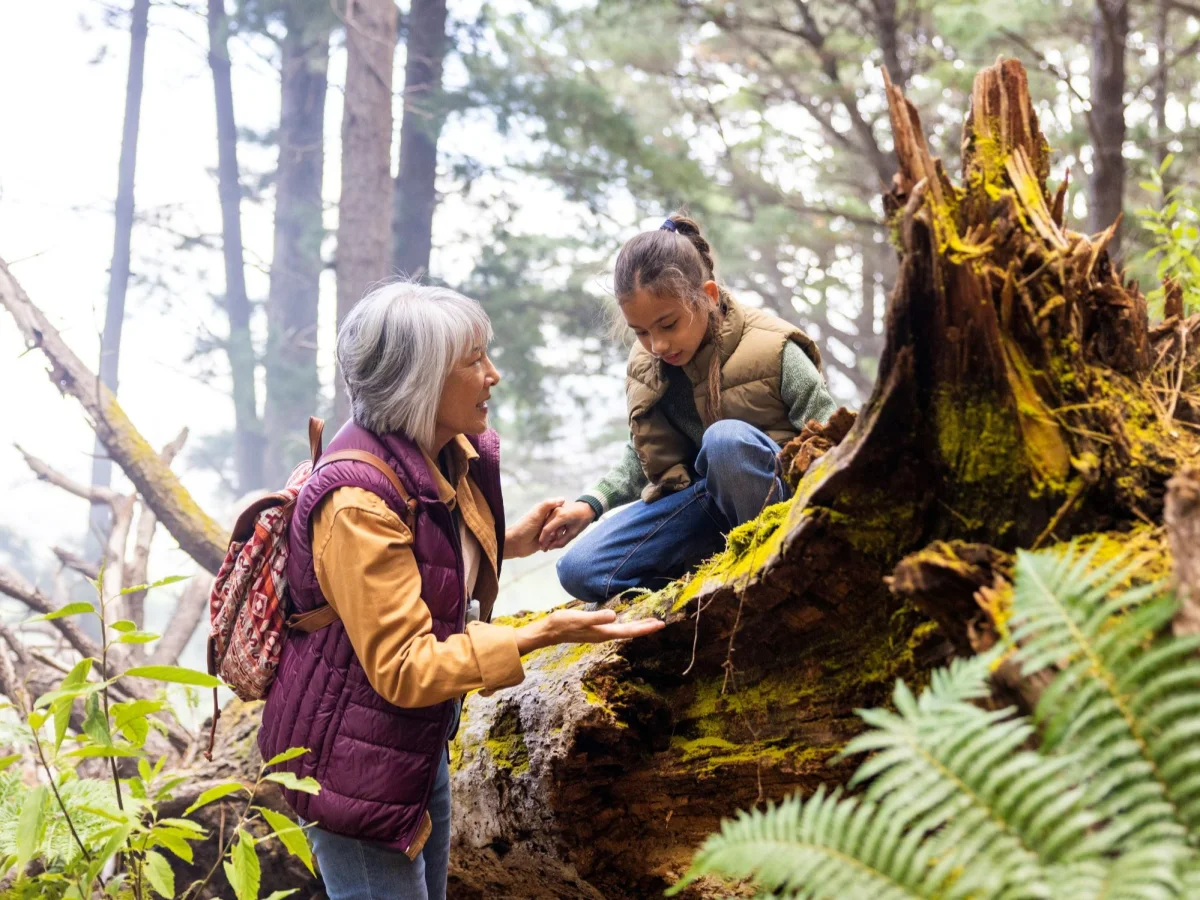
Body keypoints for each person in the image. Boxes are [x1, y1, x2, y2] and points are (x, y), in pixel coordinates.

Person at [257, 282, 664, 900]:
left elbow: (419, 563)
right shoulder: (357, 502)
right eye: (473, 361)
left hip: (412, 742)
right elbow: (403, 665)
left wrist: (509, 540)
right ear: (418, 379)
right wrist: (540, 635)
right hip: (351, 764)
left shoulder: (438, 454)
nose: (492, 375)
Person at [541, 213, 837, 602]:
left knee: (725, 441)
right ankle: (704, 585)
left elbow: (832, 437)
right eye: (641, 332)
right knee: (579, 569)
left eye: (668, 324)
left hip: (776, 506)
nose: (657, 344)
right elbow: (644, 454)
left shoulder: (774, 347)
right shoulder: (650, 367)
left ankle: (767, 572)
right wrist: (590, 504)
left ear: (708, 296)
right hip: (702, 507)